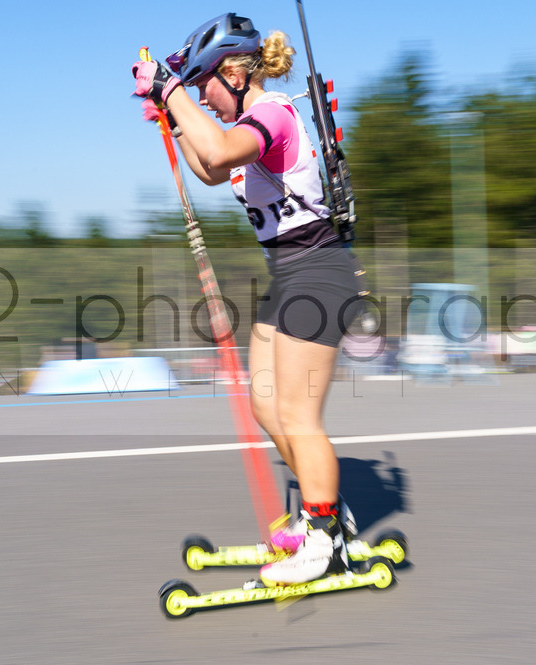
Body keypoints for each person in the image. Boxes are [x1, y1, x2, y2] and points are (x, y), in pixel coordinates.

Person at [132, 13, 363, 586]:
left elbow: (219, 145)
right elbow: (211, 167)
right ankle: (325, 516)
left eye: (205, 84)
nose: (204, 98)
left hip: (319, 272)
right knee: (266, 405)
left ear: (234, 73)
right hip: (289, 275)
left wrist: (170, 91)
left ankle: (326, 536)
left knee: (298, 415)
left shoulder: (272, 114)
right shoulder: (240, 127)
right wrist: (174, 115)